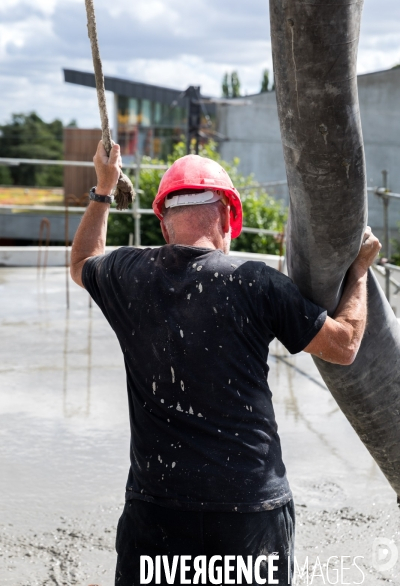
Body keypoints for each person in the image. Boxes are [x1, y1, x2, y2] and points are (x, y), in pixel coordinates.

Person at [70, 142, 381, 586]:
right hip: (248, 512)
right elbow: (345, 344)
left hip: (157, 511)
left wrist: (103, 189)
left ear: (163, 222)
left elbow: (82, 260)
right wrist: (361, 272)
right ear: (229, 216)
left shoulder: (127, 275)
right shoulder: (256, 283)